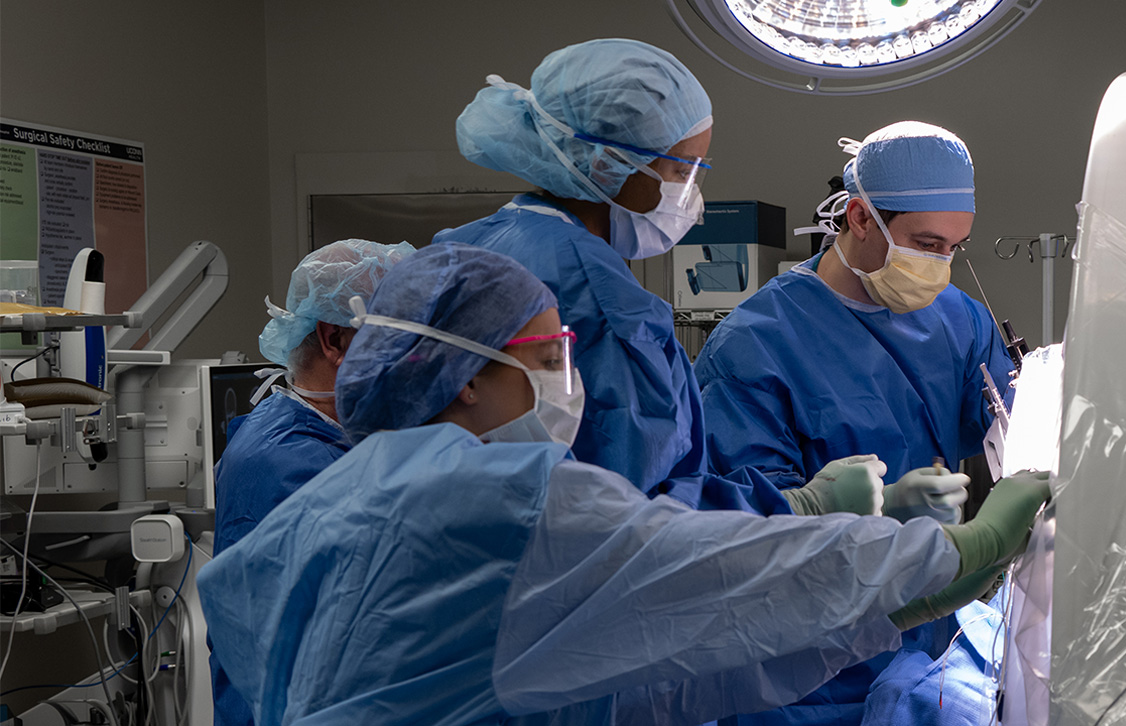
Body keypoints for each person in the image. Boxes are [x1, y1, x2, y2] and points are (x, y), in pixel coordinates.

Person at [196, 242, 1051, 725]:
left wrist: (875, 610)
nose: (569, 382)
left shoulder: (349, 490)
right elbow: (722, 570)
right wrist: (950, 554)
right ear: (466, 379)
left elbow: (637, 676)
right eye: (546, 357)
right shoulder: (495, 499)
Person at [694, 122, 1018, 724]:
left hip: (925, 628)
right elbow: (749, 529)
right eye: (926, 243)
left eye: (954, 247)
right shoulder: (755, 344)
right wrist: (879, 510)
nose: (939, 265)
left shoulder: (958, 318)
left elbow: (1005, 417)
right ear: (861, 217)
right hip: (808, 661)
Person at [436, 38, 804, 516]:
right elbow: (641, 509)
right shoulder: (604, 299)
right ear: (606, 163)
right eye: (682, 170)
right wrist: (796, 507)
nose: (691, 195)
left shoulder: (463, 244)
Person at [208, 238, 413, 726]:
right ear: (334, 339)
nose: (414, 358)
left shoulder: (324, 435)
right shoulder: (288, 464)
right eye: (398, 337)